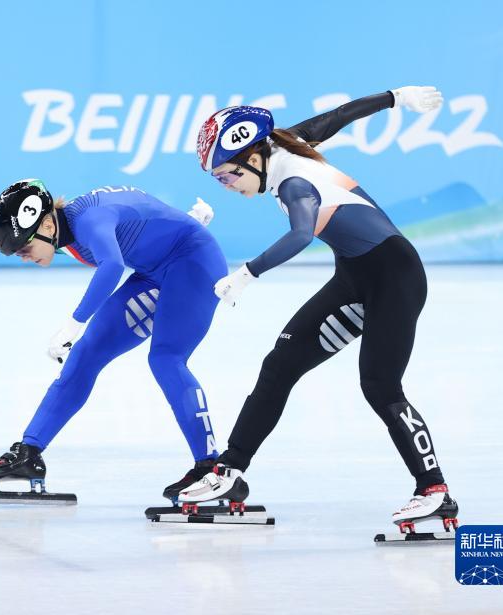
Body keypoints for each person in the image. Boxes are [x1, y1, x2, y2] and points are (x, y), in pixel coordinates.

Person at [182, 86, 459, 532]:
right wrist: (395, 97)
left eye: (226, 177)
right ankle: (229, 473)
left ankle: (434, 491)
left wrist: (246, 274)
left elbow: (300, 234)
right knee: (279, 366)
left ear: (252, 157)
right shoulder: (285, 143)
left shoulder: (293, 182)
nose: (228, 187)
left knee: (380, 386)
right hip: (355, 277)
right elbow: (339, 115)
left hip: (395, 278)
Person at [0, 178, 228, 499]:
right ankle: (29, 452)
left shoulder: (89, 221)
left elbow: (111, 266)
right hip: (156, 270)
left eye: (24, 247)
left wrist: (73, 323)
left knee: (166, 359)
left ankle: (211, 469)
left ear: (49, 224)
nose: (24, 256)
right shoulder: (65, 232)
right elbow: (141, 214)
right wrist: (184, 222)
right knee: (86, 355)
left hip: (195, 262)